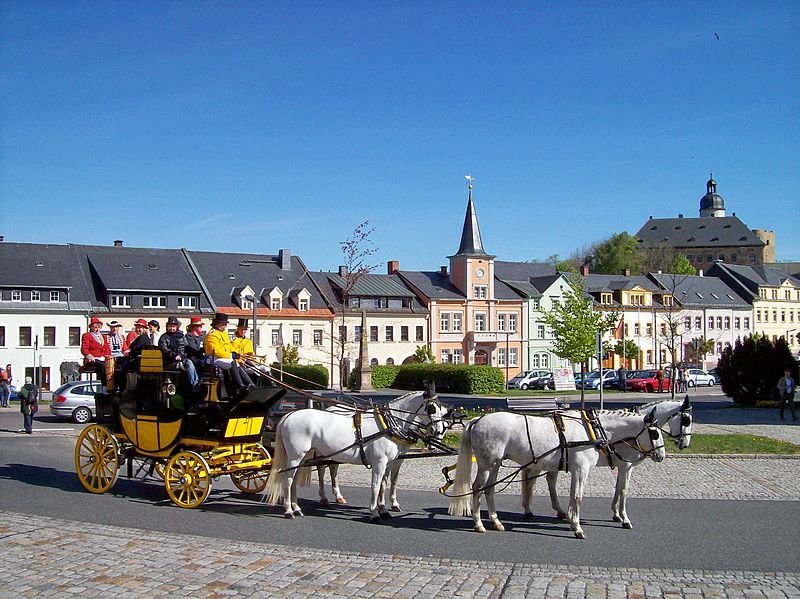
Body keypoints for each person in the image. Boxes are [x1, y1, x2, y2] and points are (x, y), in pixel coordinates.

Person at [204, 312, 254, 396]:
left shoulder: (224, 333)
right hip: (213, 358)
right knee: (232, 362)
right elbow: (216, 351)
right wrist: (231, 355)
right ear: (218, 323)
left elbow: (229, 346)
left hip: (222, 358)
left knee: (236, 363)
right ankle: (240, 385)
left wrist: (236, 353)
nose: (226, 326)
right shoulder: (211, 335)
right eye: (224, 324)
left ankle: (251, 385)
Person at [159, 316, 200, 389]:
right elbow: (164, 350)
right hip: (170, 362)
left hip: (182, 359)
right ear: (167, 326)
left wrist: (197, 354)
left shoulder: (181, 336)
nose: (172, 328)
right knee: (189, 363)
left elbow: (186, 347)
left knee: (194, 362)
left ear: (176, 327)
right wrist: (175, 355)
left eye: (174, 326)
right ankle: (195, 385)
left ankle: (197, 383)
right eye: (170, 326)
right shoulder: (164, 337)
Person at [81, 316, 110, 382]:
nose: (97, 329)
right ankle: (104, 384)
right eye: (95, 327)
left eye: (99, 327)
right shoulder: (87, 335)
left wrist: (108, 356)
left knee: (111, 365)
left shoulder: (103, 337)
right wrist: (89, 356)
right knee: (103, 366)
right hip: (92, 359)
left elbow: (107, 348)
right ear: (91, 328)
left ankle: (111, 384)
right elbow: (84, 348)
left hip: (102, 358)